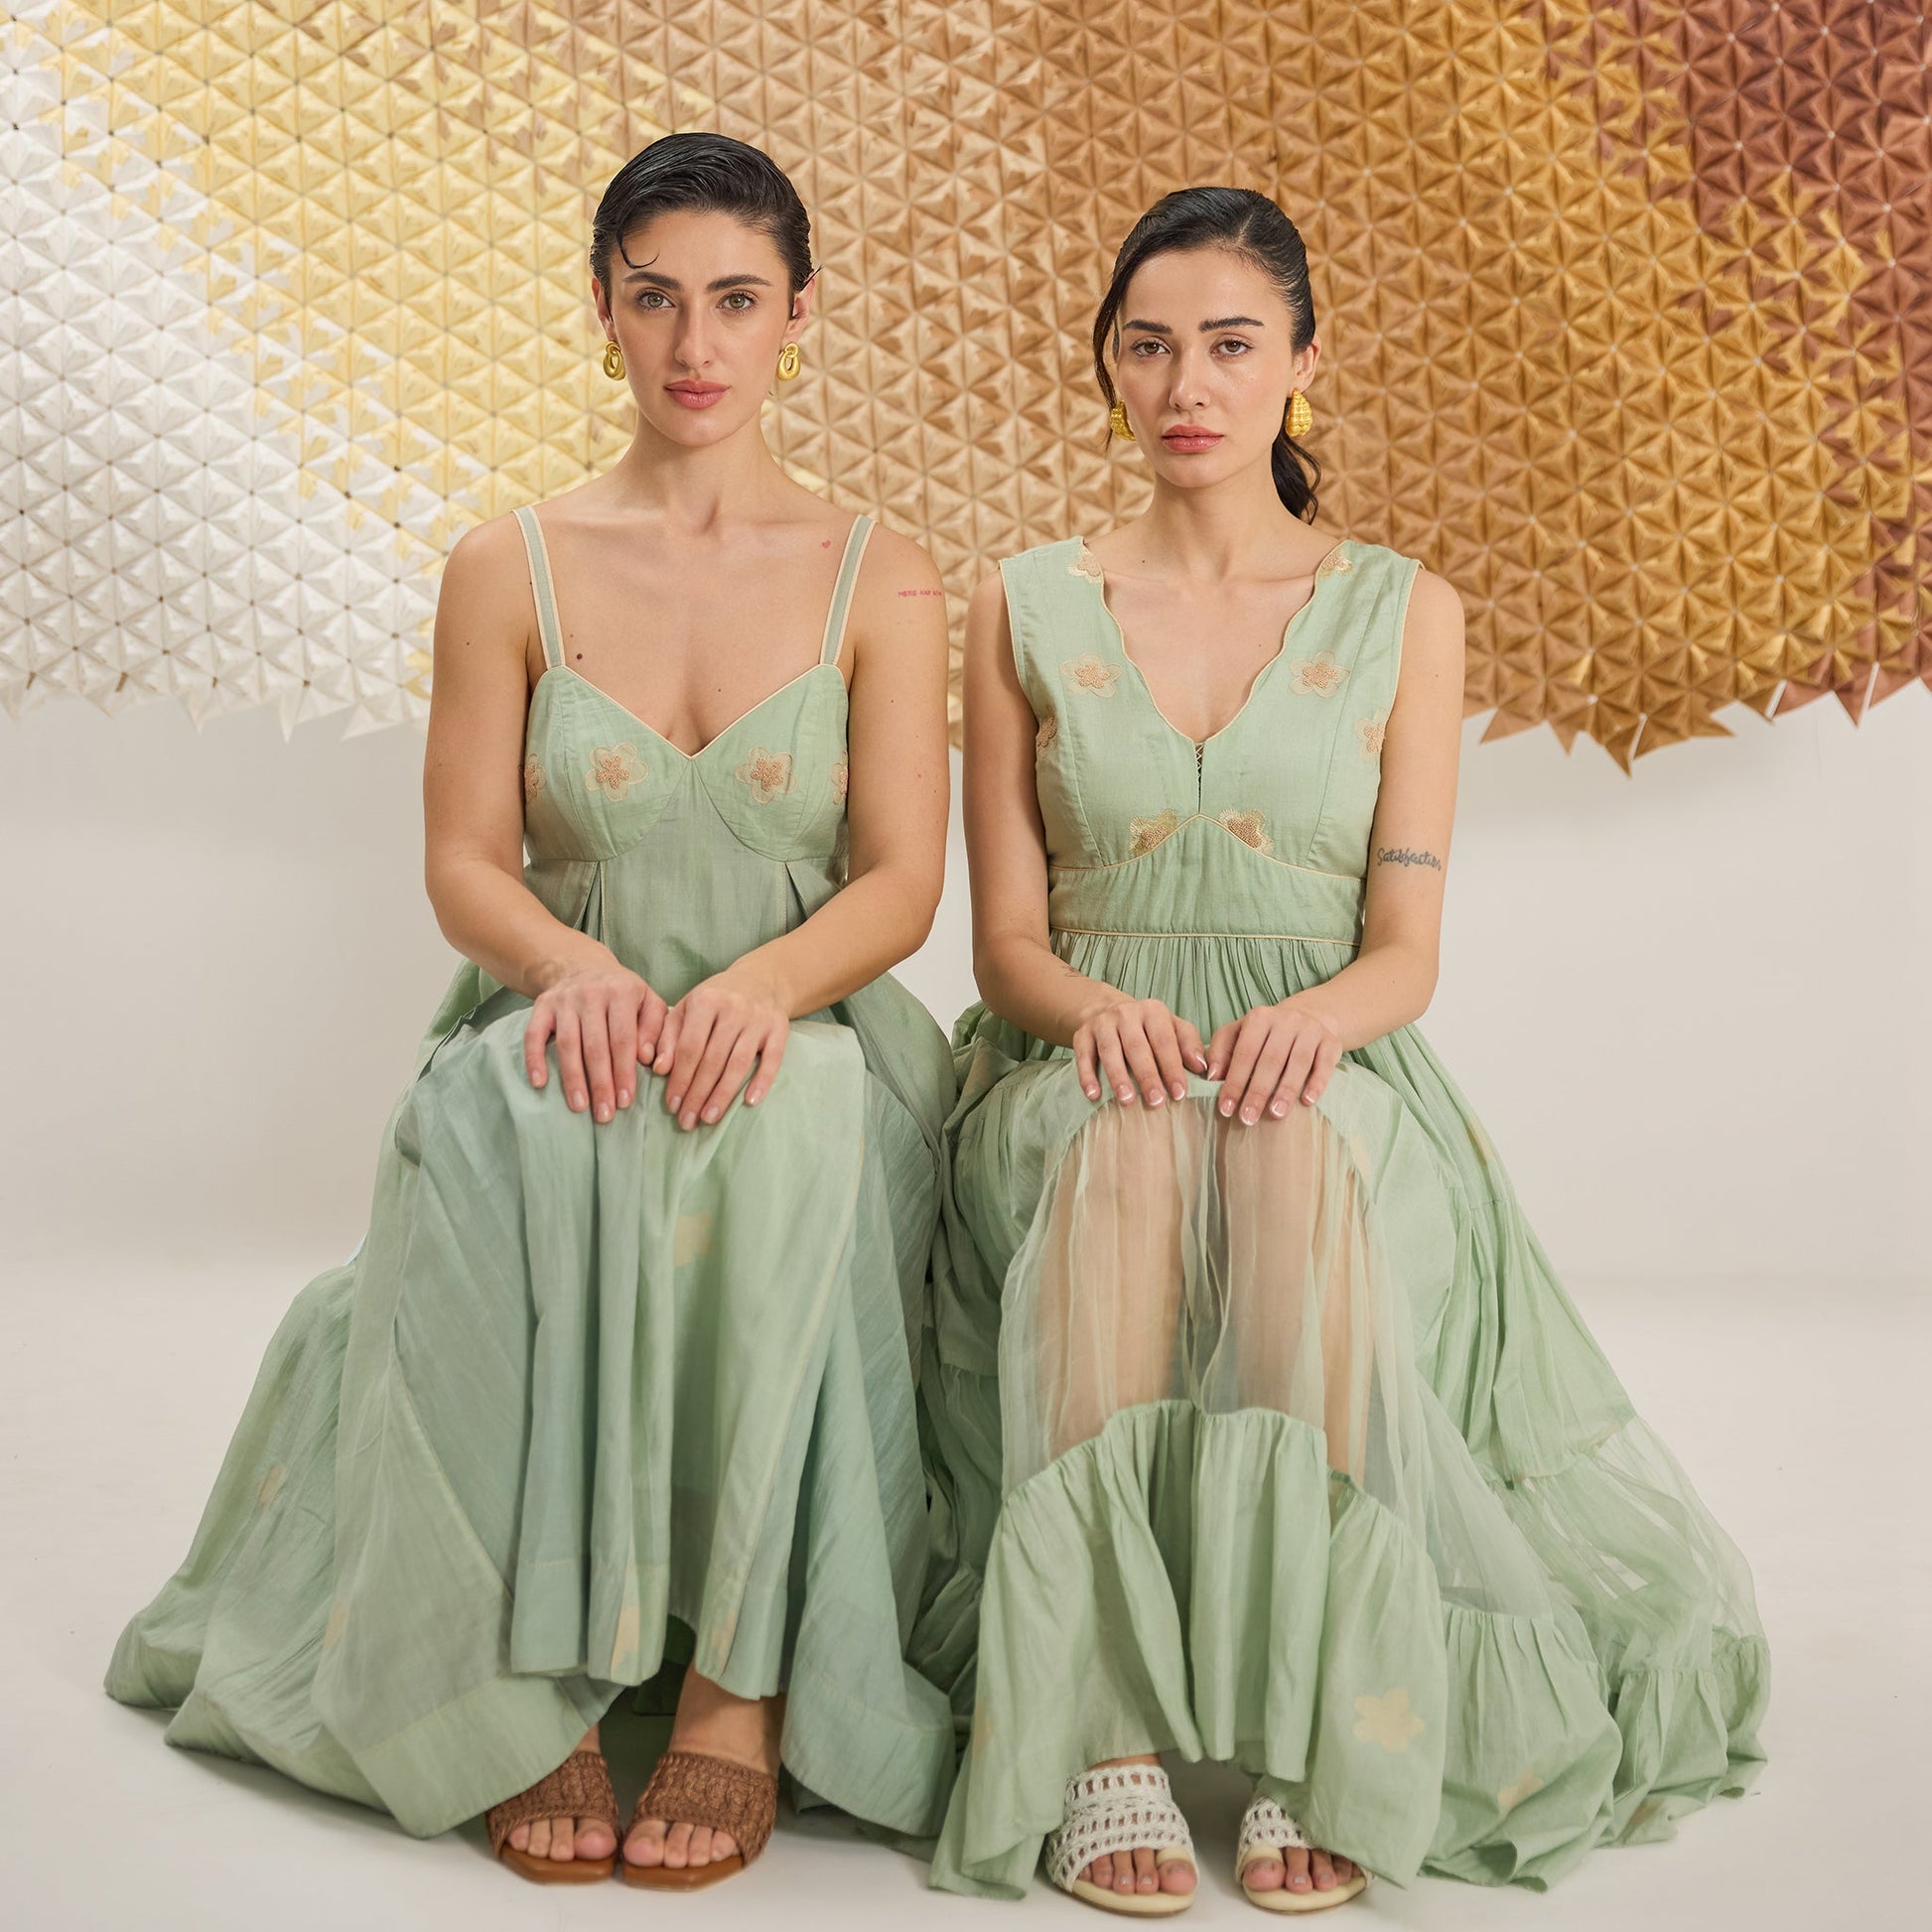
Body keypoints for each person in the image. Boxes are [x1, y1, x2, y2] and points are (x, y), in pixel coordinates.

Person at [105, 131, 960, 1889]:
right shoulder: (509, 564)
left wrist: (760, 987)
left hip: (800, 1021)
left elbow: (899, 881)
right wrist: (574, 973)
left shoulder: (880, 571)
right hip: (568, 1010)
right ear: (601, 309)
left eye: (736, 301)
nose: (695, 344)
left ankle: (735, 1692)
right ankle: (526, 1686)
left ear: (799, 315)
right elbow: (463, 862)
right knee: (515, 1118)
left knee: (800, 1125)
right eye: (655, 299)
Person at [921, 186, 1767, 1914]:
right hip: (1076, 1060)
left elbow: (1404, 952)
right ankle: (1098, 1732)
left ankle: (1319, 1717)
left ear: (1301, 362)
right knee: (1125, 1149)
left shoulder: (1400, 608)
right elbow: (1004, 943)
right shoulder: (1021, 601)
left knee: (1287, 1150)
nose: (1188, 384)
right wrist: (1102, 1018)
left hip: (1324, 1066)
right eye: (1149, 345)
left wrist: (1305, 1023)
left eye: (1232, 344)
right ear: (1106, 366)